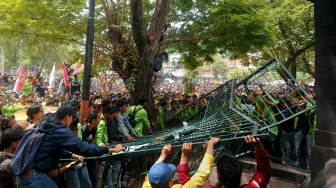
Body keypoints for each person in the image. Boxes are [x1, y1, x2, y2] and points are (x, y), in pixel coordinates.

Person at [15, 105, 125, 188]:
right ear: (67, 117)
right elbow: (83, 147)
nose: (72, 121)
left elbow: (55, 149)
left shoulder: (47, 126)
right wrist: (111, 149)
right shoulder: (58, 130)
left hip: (25, 174)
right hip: (34, 175)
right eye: (72, 118)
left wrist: (73, 155)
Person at [142, 137, 220, 188]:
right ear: (169, 182)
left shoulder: (147, 185)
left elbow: (149, 176)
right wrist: (211, 143)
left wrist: (163, 156)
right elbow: (202, 174)